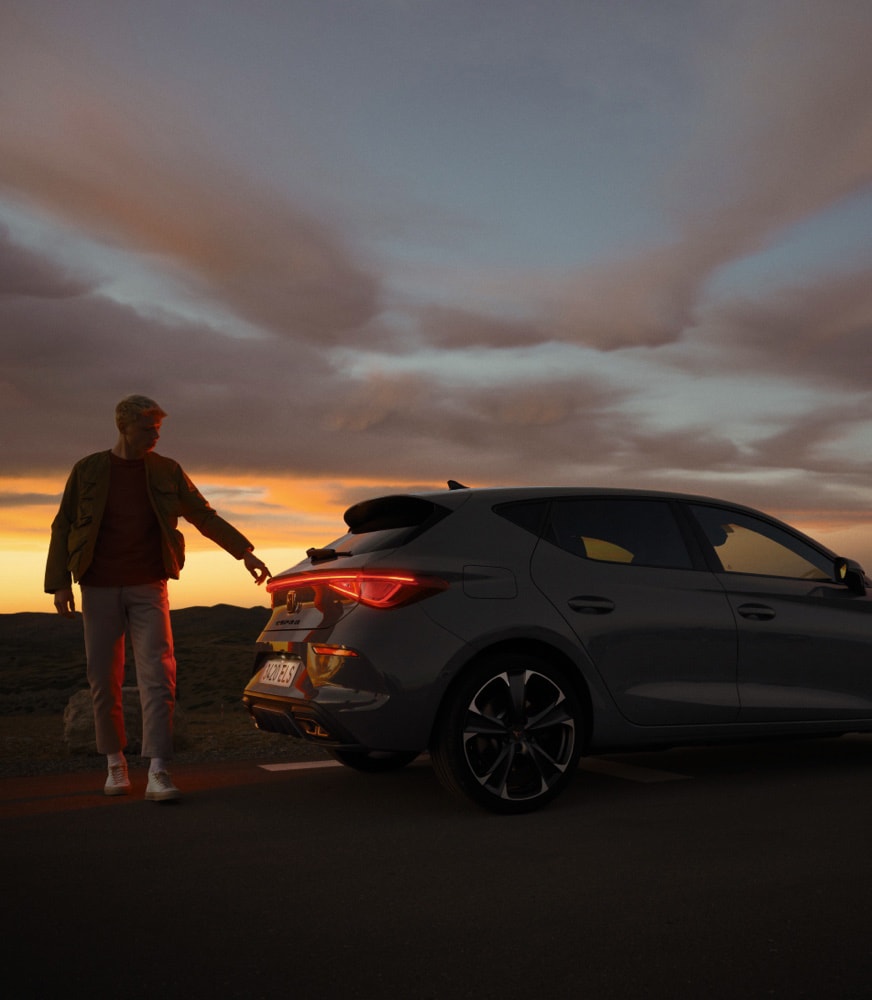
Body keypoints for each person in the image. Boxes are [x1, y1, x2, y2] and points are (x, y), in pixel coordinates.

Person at [45, 394, 271, 801]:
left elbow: (203, 514)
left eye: (157, 429)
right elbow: (62, 525)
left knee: (159, 676)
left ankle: (158, 771)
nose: (154, 435)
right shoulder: (89, 470)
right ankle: (116, 764)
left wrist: (244, 552)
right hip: (97, 584)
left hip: (149, 584)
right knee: (103, 677)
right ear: (123, 427)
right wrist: (59, 582)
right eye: (147, 428)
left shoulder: (166, 471)